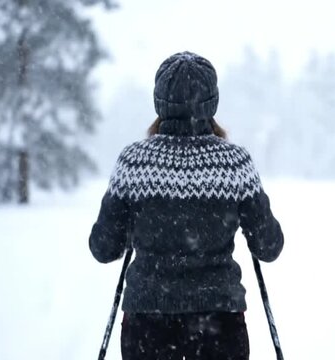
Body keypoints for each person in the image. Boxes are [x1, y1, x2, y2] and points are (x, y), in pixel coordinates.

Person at [89, 51, 284, 360]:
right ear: (212, 103)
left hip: (147, 326)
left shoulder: (133, 163)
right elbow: (269, 246)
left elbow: (103, 248)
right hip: (219, 327)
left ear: (159, 103)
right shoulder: (236, 164)